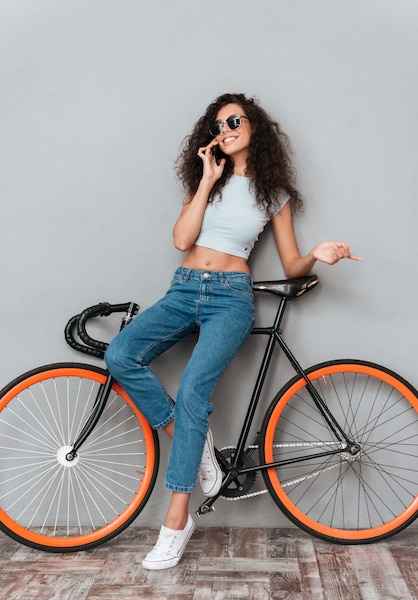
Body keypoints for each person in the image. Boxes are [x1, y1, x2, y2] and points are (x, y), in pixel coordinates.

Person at [105, 93, 361, 570]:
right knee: (121, 354)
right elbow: (182, 240)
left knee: (193, 391)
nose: (227, 128)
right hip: (183, 289)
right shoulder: (206, 179)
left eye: (236, 119)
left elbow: (291, 263)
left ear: (255, 127)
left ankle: (177, 520)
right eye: (219, 124)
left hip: (231, 297)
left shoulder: (273, 191)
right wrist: (206, 181)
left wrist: (318, 256)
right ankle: (193, 442)